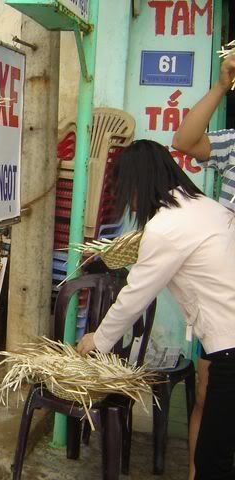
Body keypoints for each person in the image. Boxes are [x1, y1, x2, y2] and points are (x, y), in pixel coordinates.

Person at [77, 140, 235, 480]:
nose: (128, 199)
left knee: (214, 462)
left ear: (137, 184)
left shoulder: (166, 226)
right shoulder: (207, 207)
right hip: (225, 343)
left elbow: (136, 294)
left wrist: (98, 340)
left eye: (125, 189)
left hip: (231, 350)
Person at [171, 51, 235, 480]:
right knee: (209, 393)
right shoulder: (233, 144)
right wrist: (221, 85)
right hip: (225, 292)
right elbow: (185, 141)